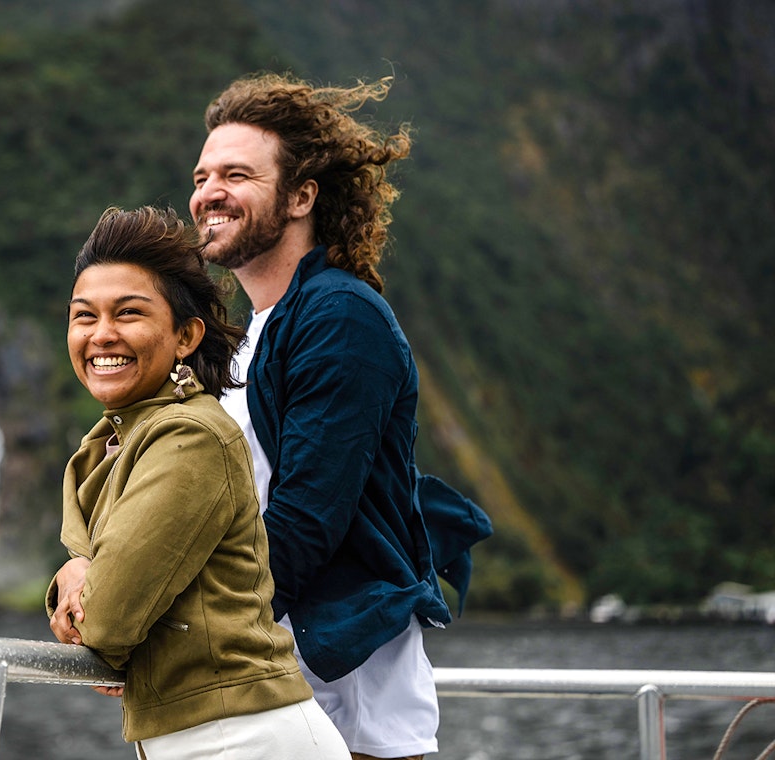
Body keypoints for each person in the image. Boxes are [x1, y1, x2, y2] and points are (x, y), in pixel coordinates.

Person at [187, 72, 492, 760]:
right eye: (203, 175)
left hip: (339, 711)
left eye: (236, 174)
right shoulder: (251, 334)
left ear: (302, 195)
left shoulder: (338, 315)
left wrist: (172, 633)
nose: (208, 192)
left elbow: (304, 521)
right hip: (264, 689)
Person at [47, 205, 350, 759]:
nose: (102, 335)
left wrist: (78, 577)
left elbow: (109, 623)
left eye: (129, 313)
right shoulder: (112, 446)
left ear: (185, 335)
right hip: (202, 738)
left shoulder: (190, 438)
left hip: (247, 739)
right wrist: (80, 567)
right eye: (83, 316)